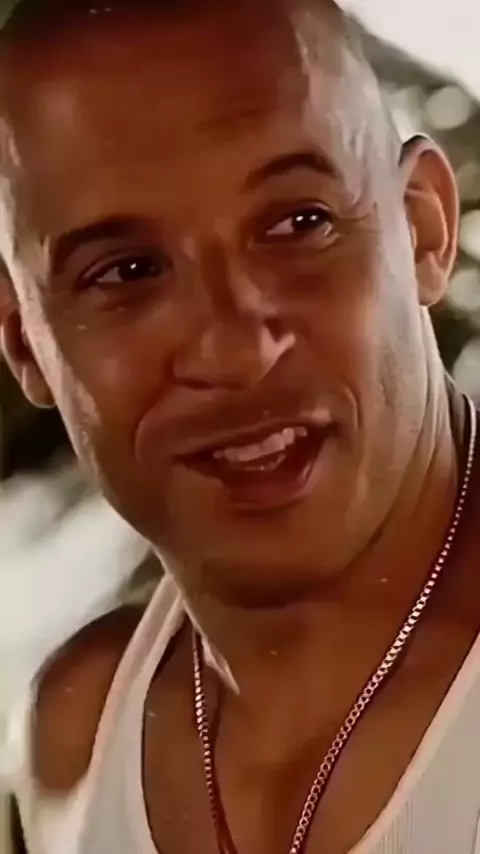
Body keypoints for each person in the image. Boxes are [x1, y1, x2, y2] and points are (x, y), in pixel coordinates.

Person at [0, 0, 479, 852]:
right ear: (24, 340)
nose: (235, 350)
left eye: (300, 223)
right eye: (127, 271)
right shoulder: (74, 745)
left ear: (423, 227)